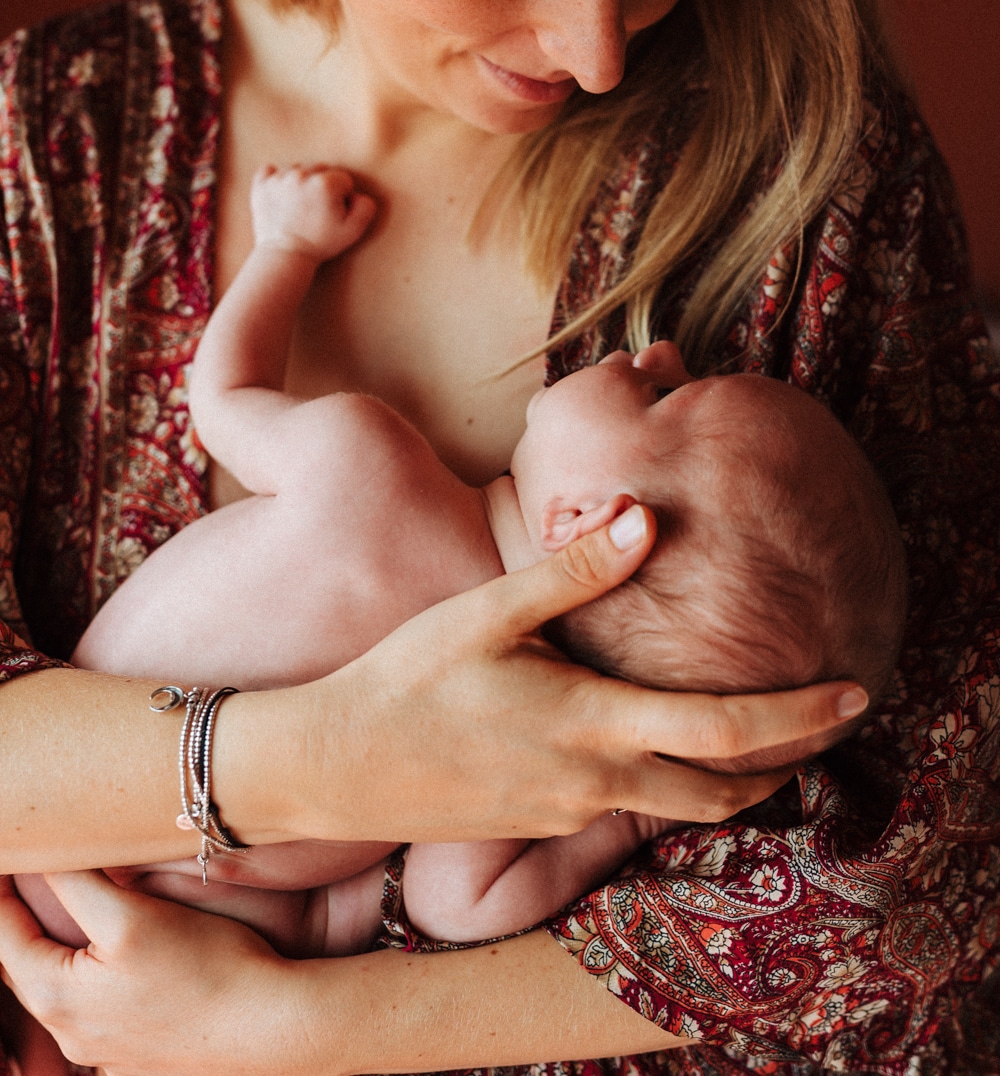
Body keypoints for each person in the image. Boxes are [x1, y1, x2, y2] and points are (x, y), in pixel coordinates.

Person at [0, 0, 995, 1073]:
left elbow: (933, 859)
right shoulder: (45, 147)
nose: (596, 51)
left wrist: (289, 1027)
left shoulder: (809, 183)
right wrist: (324, 763)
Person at [14, 161, 907, 975]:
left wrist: (287, 248)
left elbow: (221, 396)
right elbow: (456, 903)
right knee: (338, 911)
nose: (660, 352)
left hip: (63, 810)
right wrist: (633, 811)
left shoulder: (369, 462)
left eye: (666, 395)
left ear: (593, 526)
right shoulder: (520, 725)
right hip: (177, 917)